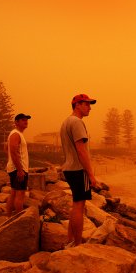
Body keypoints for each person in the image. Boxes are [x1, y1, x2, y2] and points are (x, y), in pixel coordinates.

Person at [60, 94, 98, 247]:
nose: (90, 108)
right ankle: (77, 243)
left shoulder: (66, 122)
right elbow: (81, 150)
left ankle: (70, 241)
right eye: (87, 104)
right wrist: (91, 174)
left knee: (76, 204)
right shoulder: (76, 123)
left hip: (69, 168)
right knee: (79, 206)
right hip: (78, 169)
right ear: (77, 105)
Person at [6, 113, 31, 217]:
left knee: (13, 193)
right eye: (23, 120)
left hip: (15, 168)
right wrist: (20, 170)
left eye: (26, 120)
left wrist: (11, 161)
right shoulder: (16, 134)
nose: (26, 121)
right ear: (16, 122)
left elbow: (7, 149)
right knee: (20, 194)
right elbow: (13, 150)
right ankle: (18, 220)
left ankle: (8, 217)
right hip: (18, 169)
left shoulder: (16, 134)